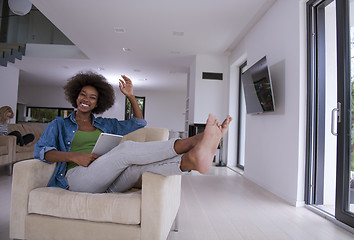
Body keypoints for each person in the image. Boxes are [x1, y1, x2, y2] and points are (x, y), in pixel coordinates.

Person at [34, 71, 232, 193]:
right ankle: (194, 140)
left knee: (138, 169)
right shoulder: (59, 124)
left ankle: (191, 161)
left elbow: (139, 122)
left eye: (92, 97)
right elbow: (41, 151)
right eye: (83, 95)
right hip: (76, 179)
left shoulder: (106, 124)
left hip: (108, 183)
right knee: (126, 150)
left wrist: (131, 96)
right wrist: (75, 156)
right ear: (75, 96)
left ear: (98, 102)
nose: (86, 99)